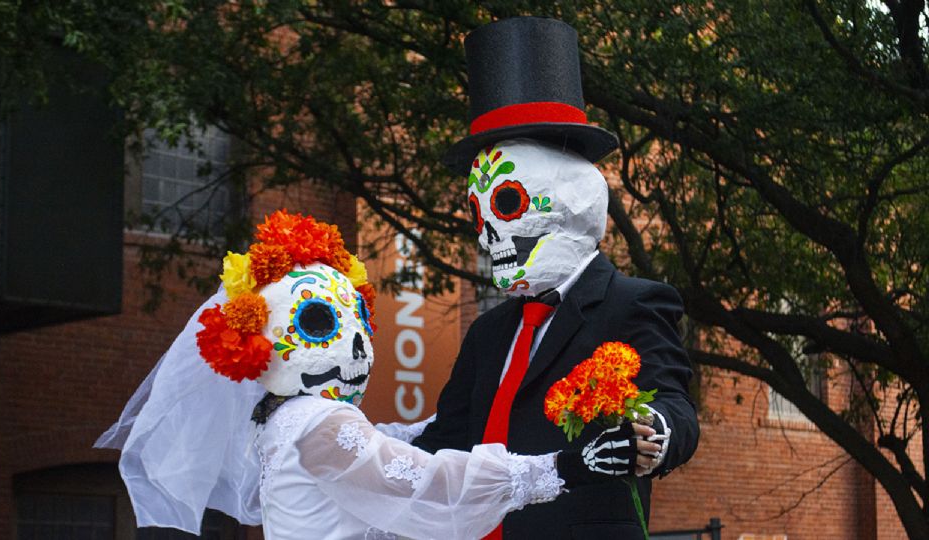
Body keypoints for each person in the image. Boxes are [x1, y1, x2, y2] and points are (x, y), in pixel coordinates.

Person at [97, 211, 632, 540]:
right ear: (254, 340)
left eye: (360, 320)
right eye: (321, 321)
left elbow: (382, 447)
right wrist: (559, 468)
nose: (357, 344)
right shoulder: (318, 423)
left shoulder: (278, 420)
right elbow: (429, 484)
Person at [410, 17, 701, 540]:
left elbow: (674, 406)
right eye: (479, 217)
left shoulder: (633, 304)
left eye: (507, 203)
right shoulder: (487, 334)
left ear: (575, 200)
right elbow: (442, 442)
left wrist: (651, 434)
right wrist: (335, 447)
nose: (487, 235)